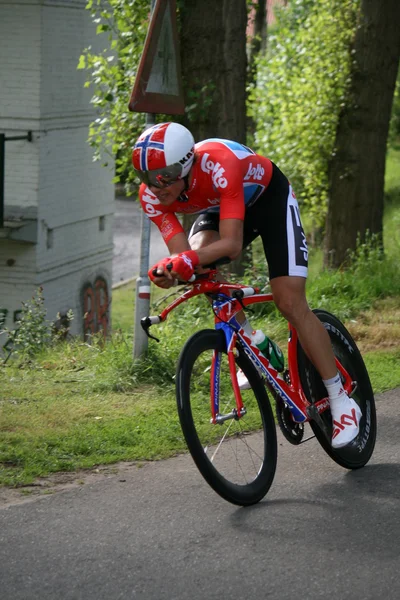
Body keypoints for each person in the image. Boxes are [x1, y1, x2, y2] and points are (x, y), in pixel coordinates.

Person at [132, 121, 361, 449]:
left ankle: (341, 401)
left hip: (270, 201)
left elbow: (232, 245)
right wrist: (171, 272)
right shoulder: (152, 196)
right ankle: (255, 340)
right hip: (222, 207)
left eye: (163, 175)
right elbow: (183, 257)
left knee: (289, 301)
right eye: (147, 178)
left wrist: (185, 263)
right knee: (199, 267)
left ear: (185, 163)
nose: (156, 186)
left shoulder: (218, 163)